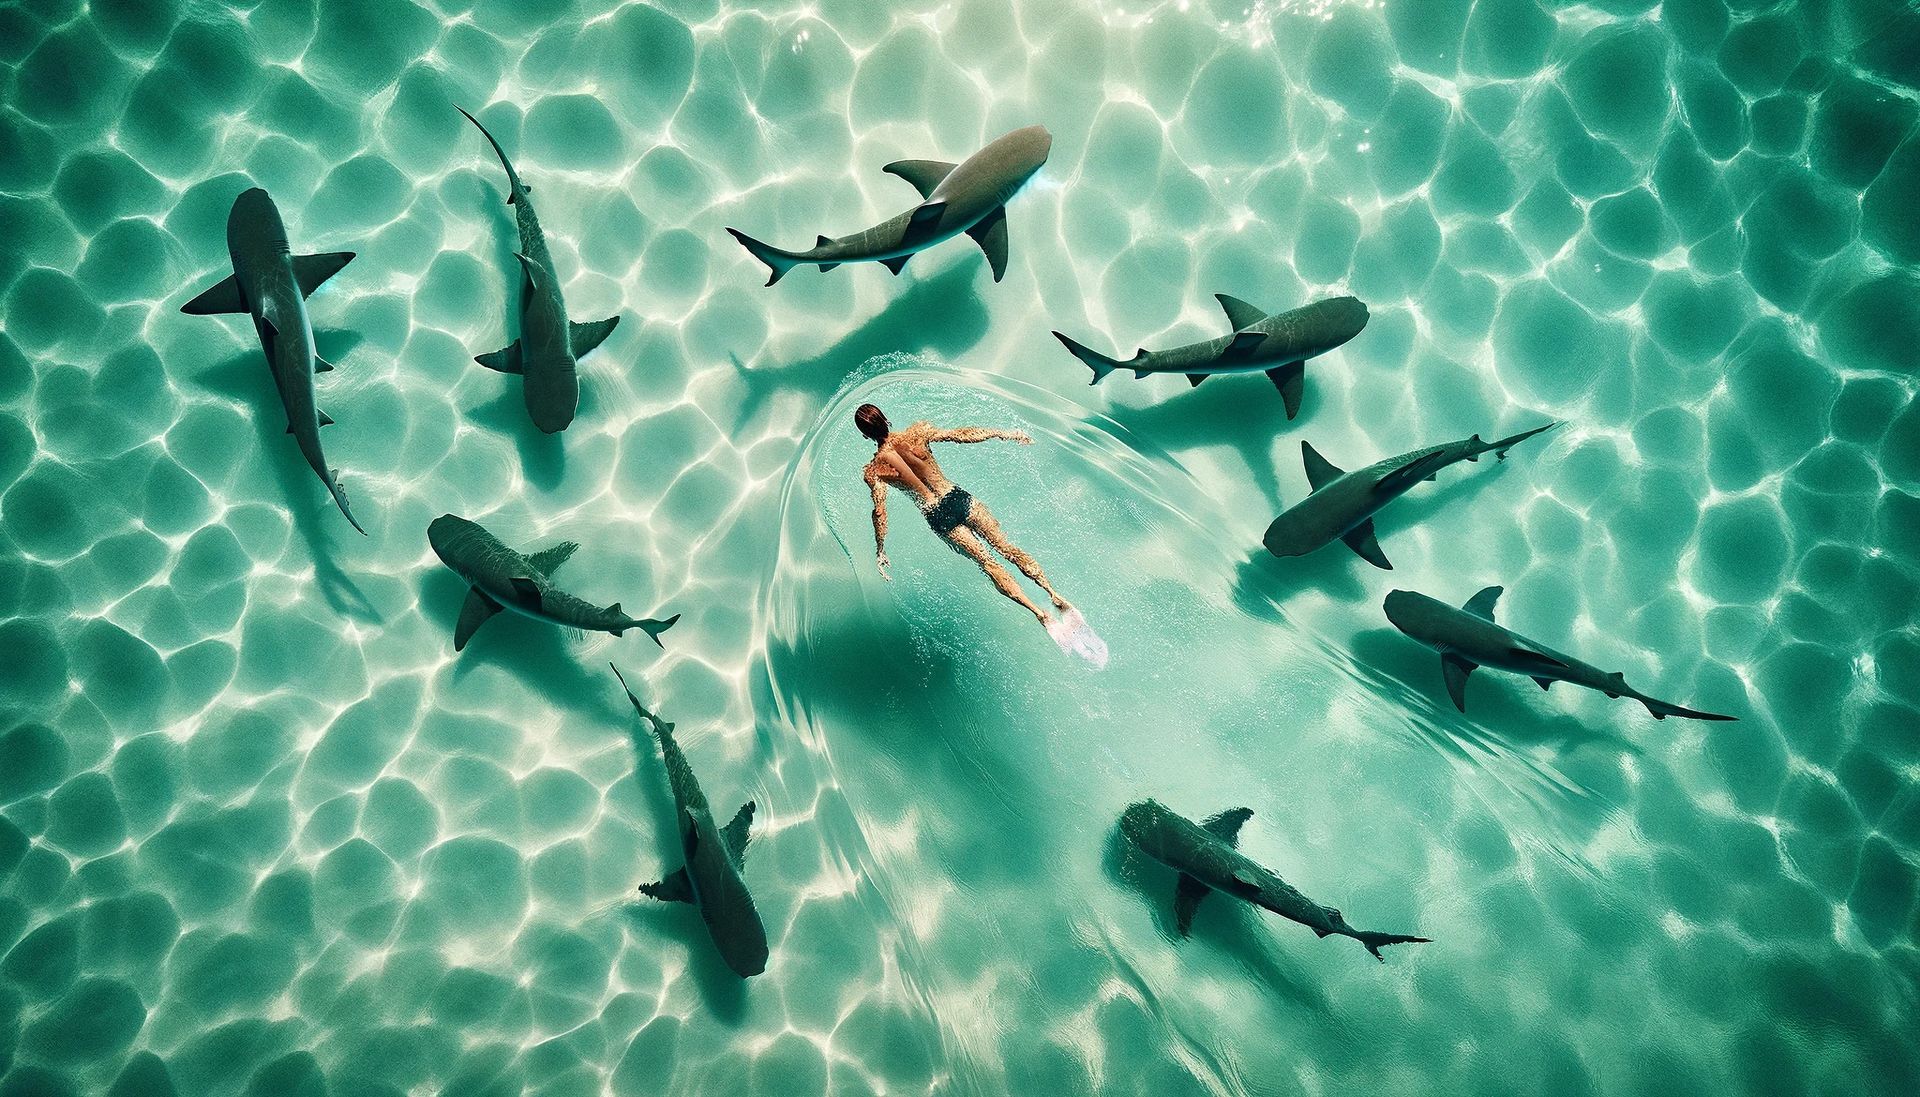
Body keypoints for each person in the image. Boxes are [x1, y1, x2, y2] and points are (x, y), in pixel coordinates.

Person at [856, 403, 1071, 627]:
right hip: (956, 497)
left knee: (988, 563)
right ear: (885, 418)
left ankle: (1038, 612)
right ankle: (1052, 592)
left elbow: (879, 511)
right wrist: (1004, 433)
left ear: (864, 434)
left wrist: (880, 548)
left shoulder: (874, 471)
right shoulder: (917, 432)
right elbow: (961, 435)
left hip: (937, 515)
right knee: (1005, 548)